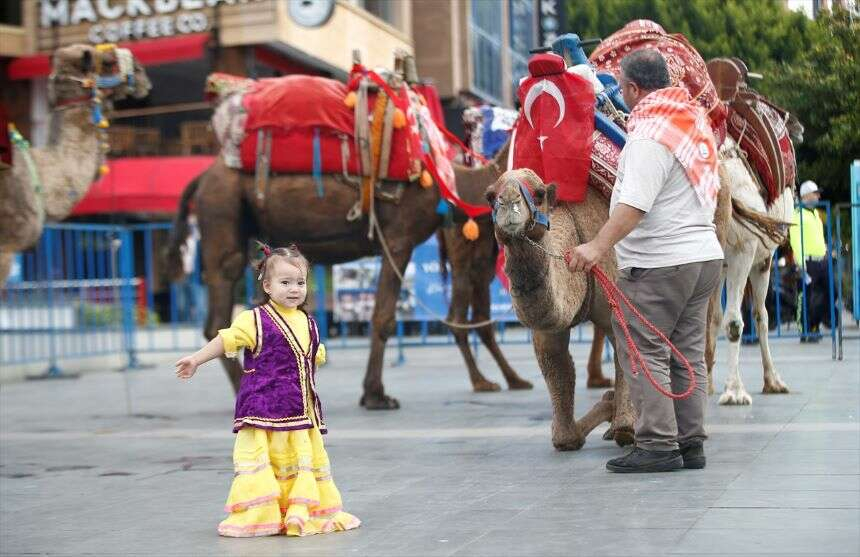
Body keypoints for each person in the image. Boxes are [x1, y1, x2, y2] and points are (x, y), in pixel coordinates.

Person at [566, 50, 723, 473]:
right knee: (686, 353)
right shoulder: (691, 122)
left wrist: (595, 247)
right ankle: (690, 442)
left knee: (642, 346)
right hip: (702, 258)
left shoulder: (651, 133)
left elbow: (634, 204)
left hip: (663, 263)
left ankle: (657, 444)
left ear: (633, 89)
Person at [175, 243, 361, 537]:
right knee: (266, 463)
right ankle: (263, 514)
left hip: (301, 416)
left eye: (300, 282)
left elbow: (313, 355)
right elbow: (227, 340)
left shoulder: (309, 323)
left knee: (300, 463)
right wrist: (196, 359)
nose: (294, 289)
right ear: (267, 285)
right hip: (263, 412)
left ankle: (298, 511)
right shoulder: (255, 319)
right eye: (285, 282)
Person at [789, 180, 829, 343]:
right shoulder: (797, 215)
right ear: (806, 196)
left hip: (821, 261)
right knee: (805, 297)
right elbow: (795, 241)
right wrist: (800, 263)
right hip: (807, 262)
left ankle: (814, 325)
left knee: (828, 293)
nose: (818, 196)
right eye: (815, 193)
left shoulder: (816, 215)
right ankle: (805, 330)